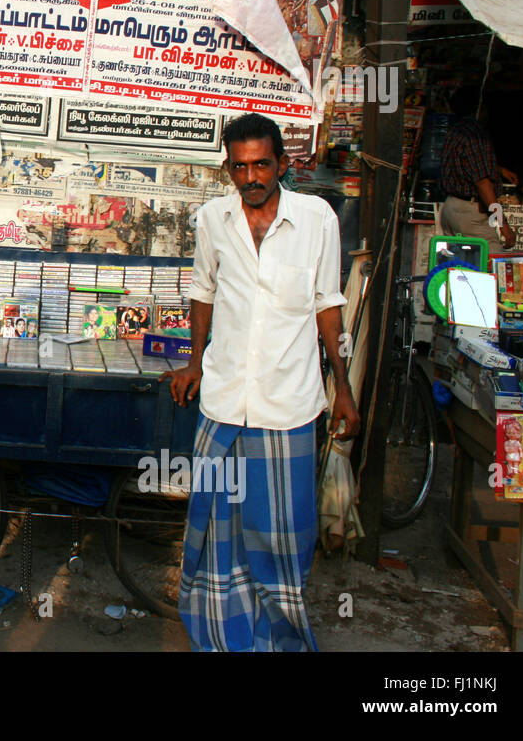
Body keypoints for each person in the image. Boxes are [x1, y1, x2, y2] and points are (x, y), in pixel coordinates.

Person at [162, 112, 359, 653]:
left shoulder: (318, 218)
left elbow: (327, 305)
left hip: (288, 406)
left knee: (282, 541)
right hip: (224, 402)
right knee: (216, 538)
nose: (251, 178)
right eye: (240, 167)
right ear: (229, 168)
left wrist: (342, 387)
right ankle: (224, 641)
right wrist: (194, 362)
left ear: (282, 165)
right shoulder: (212, 219)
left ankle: (281, 643)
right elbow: (204, 293)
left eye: (261, 165)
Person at [439, 87, 517, 251]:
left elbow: (466, 163)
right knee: (493, 263)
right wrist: (502, 223)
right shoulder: (476, 135)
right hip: (469, 213)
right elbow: (482, 183)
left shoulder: (456, 130)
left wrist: (499, 170)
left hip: (451, 206)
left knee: (462, 265)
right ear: (480, 107)